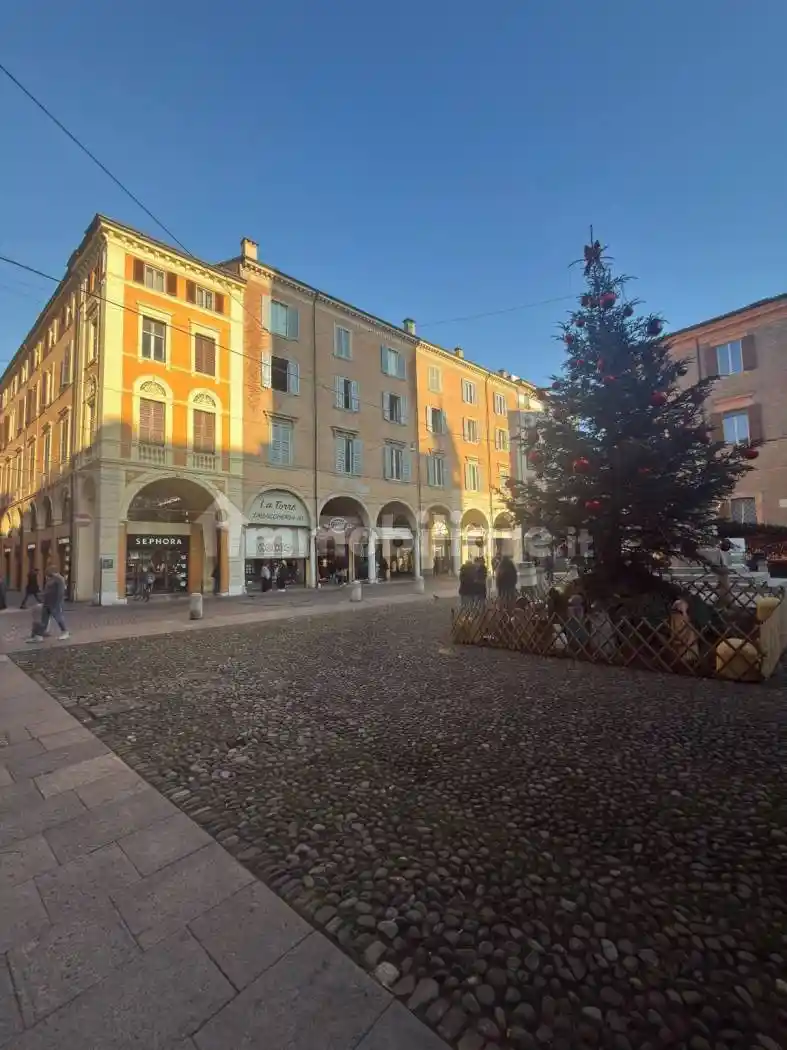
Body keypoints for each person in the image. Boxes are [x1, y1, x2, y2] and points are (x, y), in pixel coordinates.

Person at [26, 565, 69, 643]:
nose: (47, 573)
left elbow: (60, 592)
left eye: (48, 571)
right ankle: (39, 636)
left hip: (54, 602)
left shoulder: (59, 579)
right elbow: (48, 590)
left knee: (58, 617)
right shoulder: (51, 579)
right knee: (44, 619)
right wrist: (43, 595)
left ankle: (65, 632)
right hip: (47, 602)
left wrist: (58, 602)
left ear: (53, 571)